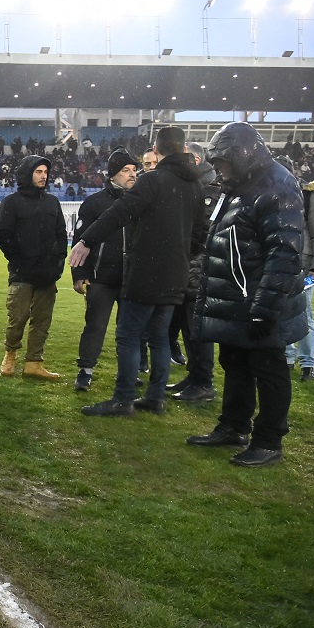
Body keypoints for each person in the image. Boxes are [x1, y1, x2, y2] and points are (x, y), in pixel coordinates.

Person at [187, 122, 307, 467]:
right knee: (235, 362)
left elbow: (284, 254)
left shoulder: (276, 185)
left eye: (223, 162)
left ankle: (269, 441)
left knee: (268, 369)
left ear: (242, 155)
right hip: (238, 298)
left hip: (259, 300)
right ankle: (234, 426)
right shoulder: (239, 185)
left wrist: (265, 308)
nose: (219, 170)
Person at [69, 126, 207, 416]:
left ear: (156, 150)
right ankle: (155, 398)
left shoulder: (152, 180)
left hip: (146, 274)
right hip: (176, 275)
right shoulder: (195, 185)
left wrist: (86, 241)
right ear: (184, 149)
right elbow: (199, 233)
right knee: (159, 337)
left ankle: (123, 399)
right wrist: (179, 258)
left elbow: (119, 213)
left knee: (129, 335)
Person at [70, 148, 139, 391]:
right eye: (126, 170)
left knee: (130, 330)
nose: (132, 174)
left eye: (134, 170)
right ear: (112, 174)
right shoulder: (94, 203)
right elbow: (79, 241)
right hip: (101, 278)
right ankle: (85, 371)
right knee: (95, 326)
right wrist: (79, 274)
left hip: (133, 278)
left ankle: (129, 372)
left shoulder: (142, 201)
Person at [0, 155, 68, 380]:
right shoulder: (11, 202)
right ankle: (10, 354)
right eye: (38, 172)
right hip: (22, 274)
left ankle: (34, 363)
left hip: (48, 274)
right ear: (28, 174)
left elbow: (61, 235)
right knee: (17, 317)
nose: (44, 176)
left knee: (42, 320)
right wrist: (19, 262)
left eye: (45, 172)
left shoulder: (52, 202)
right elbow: (4, 236)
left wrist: (58, 262)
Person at [167, 143, 223, 402]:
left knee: (197, 326)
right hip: (185, 265)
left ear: (195, 160)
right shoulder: (196, 186)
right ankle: (194, 376)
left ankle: (204, 381)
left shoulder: (211, 190)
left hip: (198, 267)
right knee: (187, 326)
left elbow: (202, 231)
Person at [284, 171, 314, 382]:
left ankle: (307, 362)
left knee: (304, 314)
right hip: (280, 264)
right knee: (282, 313)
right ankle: (287, 357)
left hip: (302, 266)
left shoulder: (309, 195)